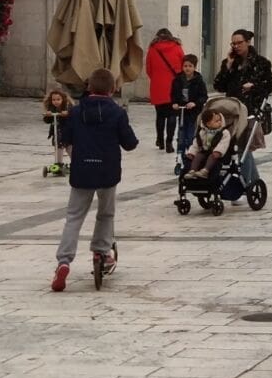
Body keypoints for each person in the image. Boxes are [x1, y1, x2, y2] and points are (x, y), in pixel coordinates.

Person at [50, 68, 138, 292]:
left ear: (89, 87)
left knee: (74, 217)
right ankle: (101, 252)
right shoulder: (117, 112)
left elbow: (65, 139)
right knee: (106, 213)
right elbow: (130, 143)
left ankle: (64, 262)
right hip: (107, 171)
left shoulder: (76, 111)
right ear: (113, 89)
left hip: (82, 170)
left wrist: (77, 154)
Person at [213, 29, 272, 113]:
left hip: (255, 108)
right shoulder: (229, 63)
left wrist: (253, 86)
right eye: (233, 44)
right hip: (234, 109)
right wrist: (227, 67)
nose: (236, 46)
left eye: (239, 43)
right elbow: (218, 86)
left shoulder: (261, 62)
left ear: (248, 42)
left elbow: (269, 86)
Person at [145, 28, 184, 152]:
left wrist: (156, 78)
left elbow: (148, 69)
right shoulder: (177, 47)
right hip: (174, 86)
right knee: (172, 114)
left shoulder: (152, 49)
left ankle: (160, 140)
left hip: (157, 86)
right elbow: (183, 66)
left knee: (160, 115)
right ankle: (169, 142)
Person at [170, 54, 208, 165]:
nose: (187, 68)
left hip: (194, 112)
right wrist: (174, 103)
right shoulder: (177, 80)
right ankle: (180, 155)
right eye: (185, 66)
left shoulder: (199, 81)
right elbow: (173, 94)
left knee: (191, 135)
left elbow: (203, 96)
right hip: (182, 111)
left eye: (190, 66)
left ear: (194, 67)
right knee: (181, 134)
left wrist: (195, 103)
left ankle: (191, 155)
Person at [183, 105, 232, 180]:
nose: (219, 122)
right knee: (198, 156)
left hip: (216, 153)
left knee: (212, 156)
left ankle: (205, 171)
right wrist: (191, 153)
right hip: (204, 151)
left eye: (220, 120)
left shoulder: (224, 132)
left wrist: (218, 151)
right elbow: (196, 143)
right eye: (216, 121)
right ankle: (192, 171)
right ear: (208, 124)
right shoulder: (202, 132)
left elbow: (223, 144)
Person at [41, 88, 73, 176]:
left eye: (58, 99)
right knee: (58, 147)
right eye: (54, 100)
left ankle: (76, 163)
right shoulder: (51, 108)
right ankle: (58, 164)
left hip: (67, 132)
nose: (56, 102)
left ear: (63, 99)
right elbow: (47, 121)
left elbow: (73, 117)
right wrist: (47, 115)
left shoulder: (68, 107)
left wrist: (67, 114)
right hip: (57, 132)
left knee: (70, 148)